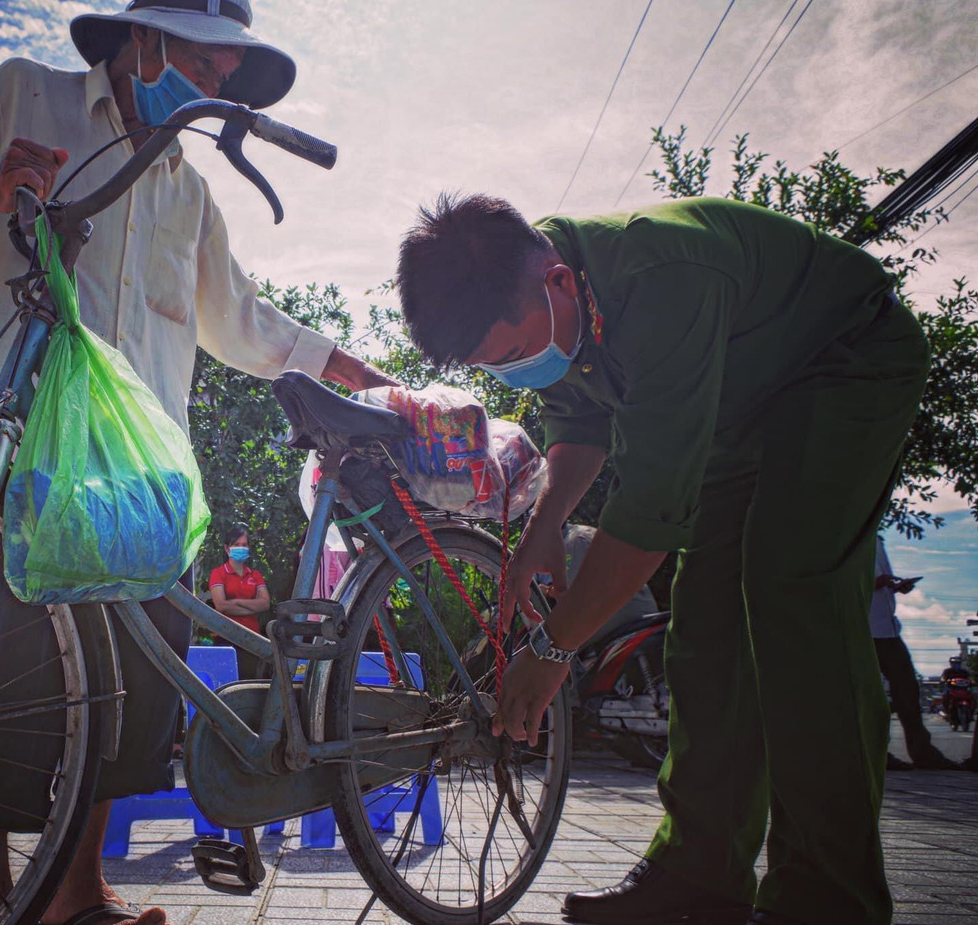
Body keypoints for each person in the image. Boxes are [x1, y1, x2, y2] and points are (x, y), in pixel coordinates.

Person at [0, 3, 393, 924]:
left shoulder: (185, 189)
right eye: (205, 63)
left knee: (132, 680)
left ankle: (81, 892)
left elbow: (240, 319)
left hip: (136, 480)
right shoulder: (23, 95)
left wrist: (344, 366)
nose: (211, 89)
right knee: (5, 671)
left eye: (223, 78)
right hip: (17, 451)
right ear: (143, 36)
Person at [396, 194, 929, 925]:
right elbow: (579, 425)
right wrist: (542, 526)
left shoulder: (664, 278)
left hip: (842, 365)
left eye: (516, 356)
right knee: (706, 625)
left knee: (791, 595)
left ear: (556, 282)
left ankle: (827, 894)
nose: (522, 373)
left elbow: (648, 519)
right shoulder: (547, 299)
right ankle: (699, 872)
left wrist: (555, 649)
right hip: (736, 411)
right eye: (500, 368)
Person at [871, 536, 957, 770]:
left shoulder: (877, 540)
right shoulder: (850, 535)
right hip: (864, 628)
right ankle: (875, 754)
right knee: (870, 698)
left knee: (908, 691)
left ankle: (923, 753)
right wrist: (874, 583)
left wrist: (895, 587)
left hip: (888, 629)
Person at [207, 525, 269, 674]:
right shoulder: (218, 573)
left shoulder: (255, 575)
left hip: (252, 639)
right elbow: (221, 606)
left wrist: (235, 602)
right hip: (226, 636)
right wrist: (252, 606)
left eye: (244, 545)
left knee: (248, 680)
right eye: (236, 545)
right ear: (227, 549)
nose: (241, 548)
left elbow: (265, 604)